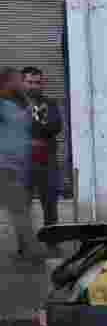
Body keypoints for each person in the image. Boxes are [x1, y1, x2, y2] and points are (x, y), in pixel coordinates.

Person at [0, 68, 46, 260]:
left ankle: (31, 250)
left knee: (21, 210)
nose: (22, 83)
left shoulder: (20, 104)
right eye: (18, 80)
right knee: (21, 210)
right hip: (5, 167)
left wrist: (30, 142)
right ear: (7, 83)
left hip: (18, 167)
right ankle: (34, 252)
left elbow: (24, 130)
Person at [22, 67, 63, 227]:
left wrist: (35, 123)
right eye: (30, 82)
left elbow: (55, 127)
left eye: (37, 82)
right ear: (22, 83)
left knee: (50, 204)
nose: (33, 86)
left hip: (47, 162)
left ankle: (52, 241)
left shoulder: (50, 104)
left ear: (42, 84)